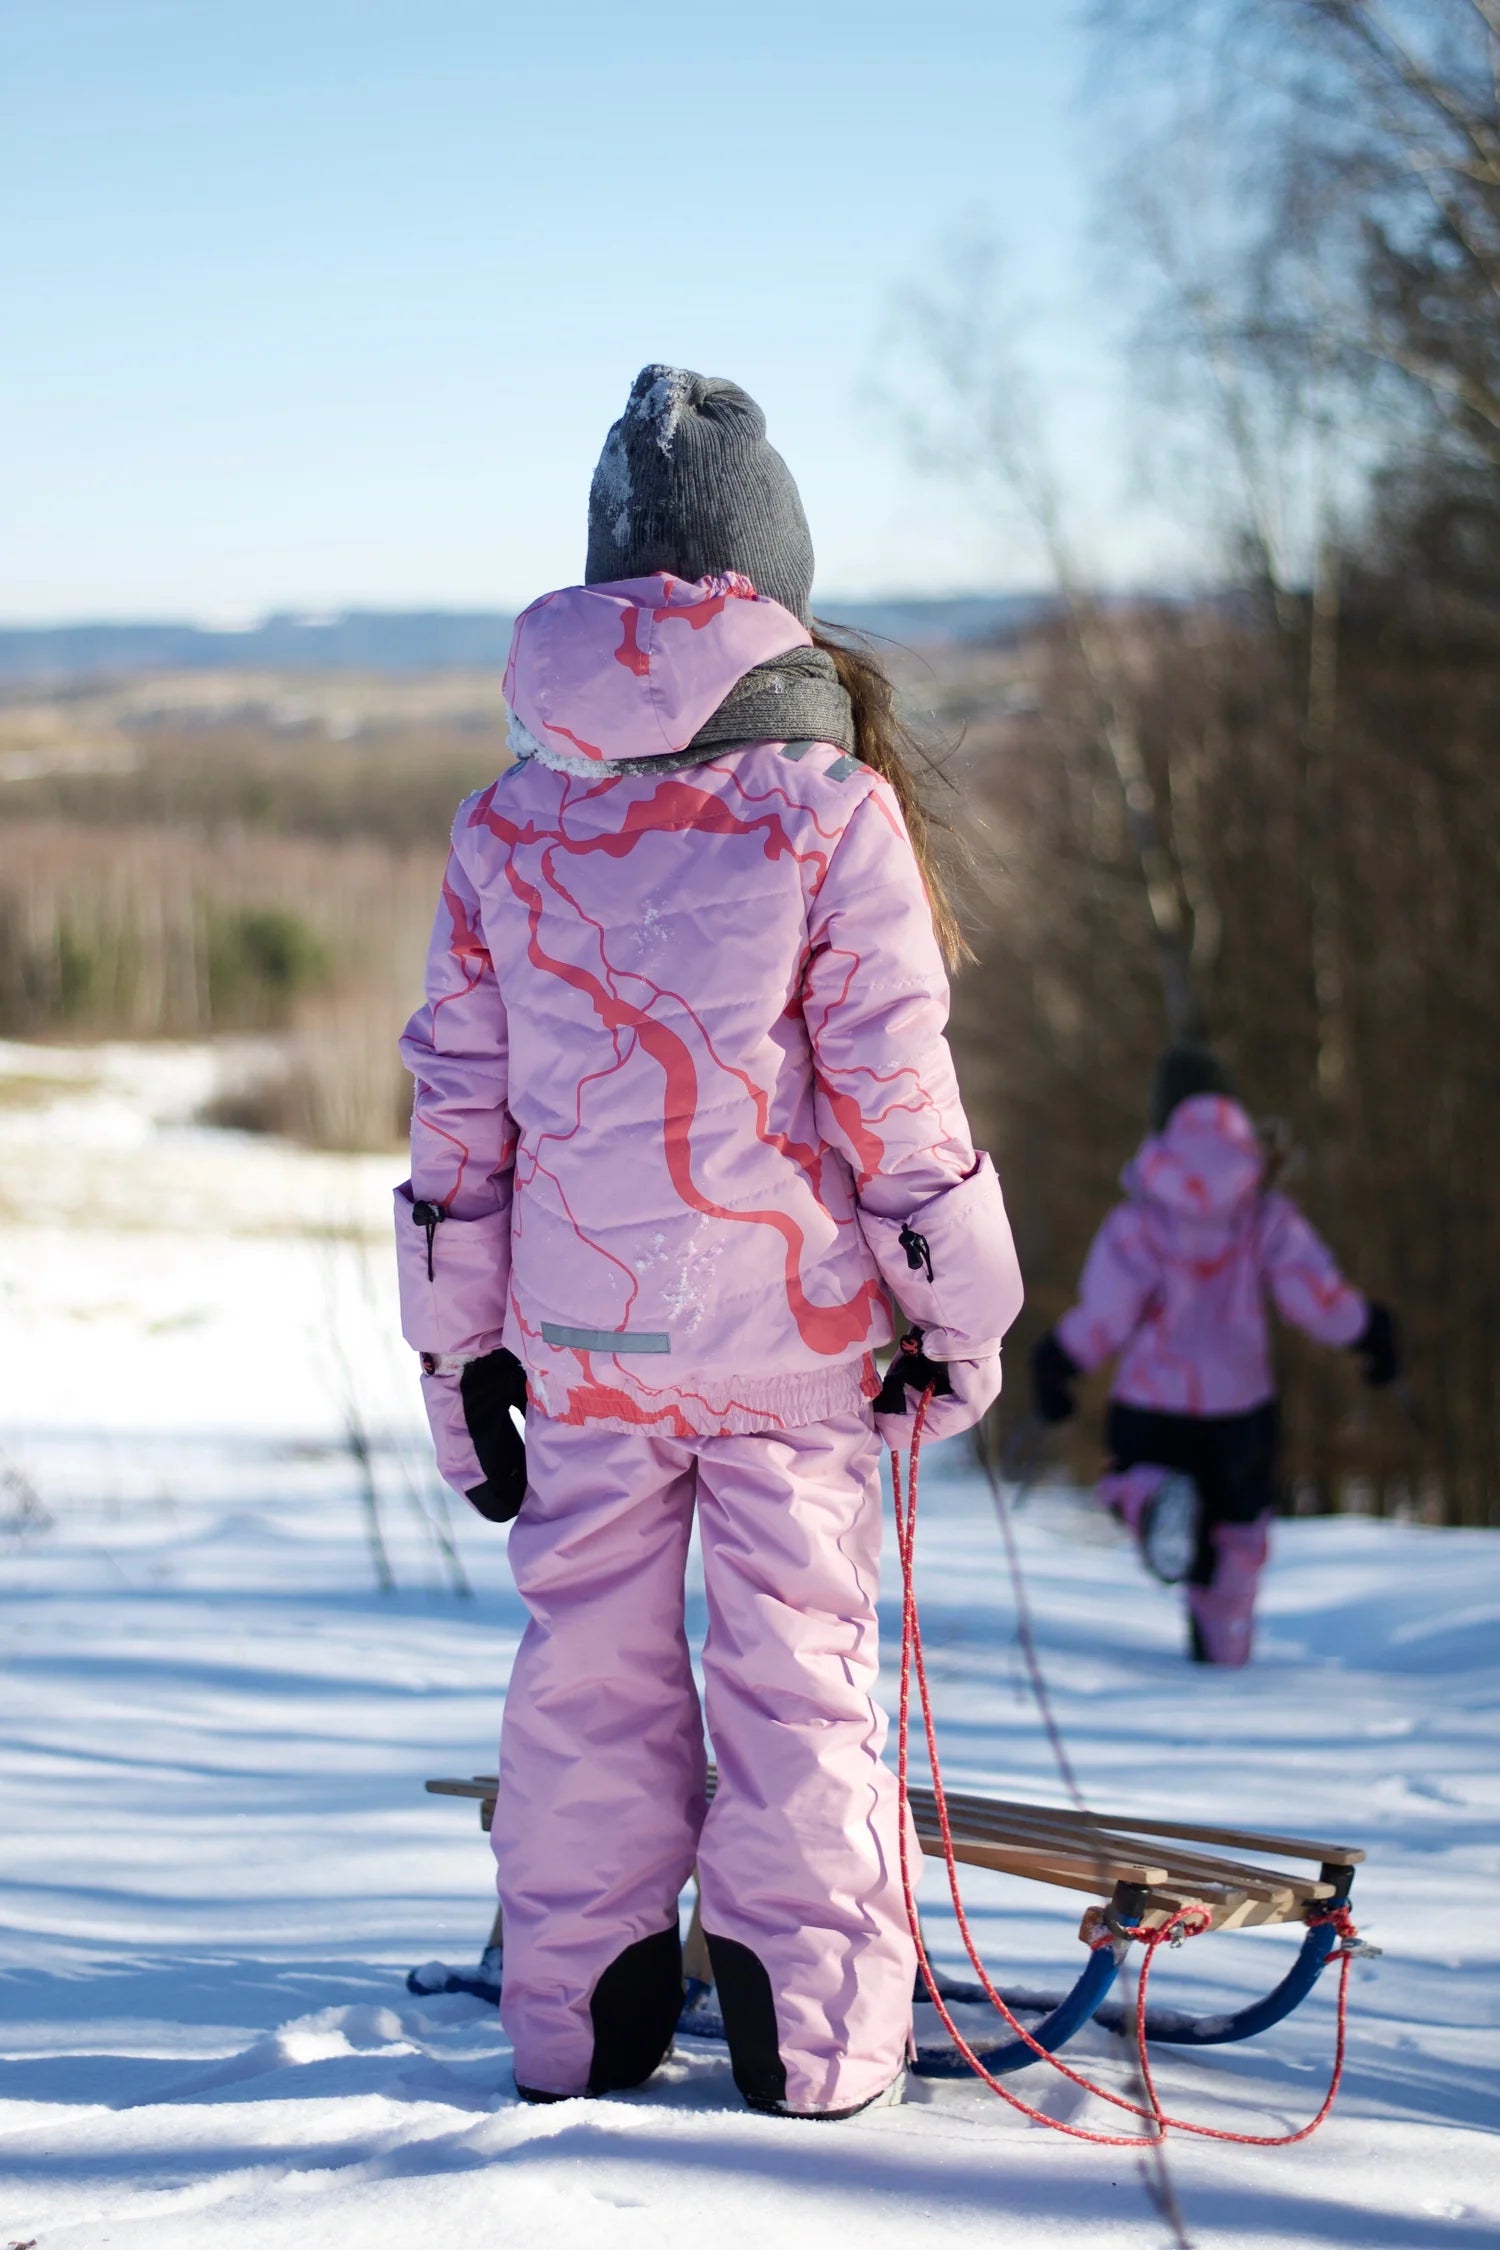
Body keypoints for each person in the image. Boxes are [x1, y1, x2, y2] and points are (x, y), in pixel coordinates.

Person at [394, 367, 1023, 2117]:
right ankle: (813, 2052)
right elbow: (898, 1098)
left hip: (591, 1346)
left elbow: (459, 1112)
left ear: (605, 581)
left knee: (585, 1680)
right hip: (797, 1344)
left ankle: (574, 2028)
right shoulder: (831, 812)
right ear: (773, 592)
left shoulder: (510, 824)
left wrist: (461, 1355)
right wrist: (960, 1317)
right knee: (800, 1690)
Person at [1031, 1046, 1398, 1667]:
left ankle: (1150, 1497)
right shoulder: (1264, 1213)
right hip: (1241, 1408)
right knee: (1238, 1532)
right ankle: (1223, 1651)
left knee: (1129, 1474)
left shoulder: (1142, 1215)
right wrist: (1369, 1332)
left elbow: (1108, 1314)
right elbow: (1314, 1296)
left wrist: (1060, 1361)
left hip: (1153, 1402)